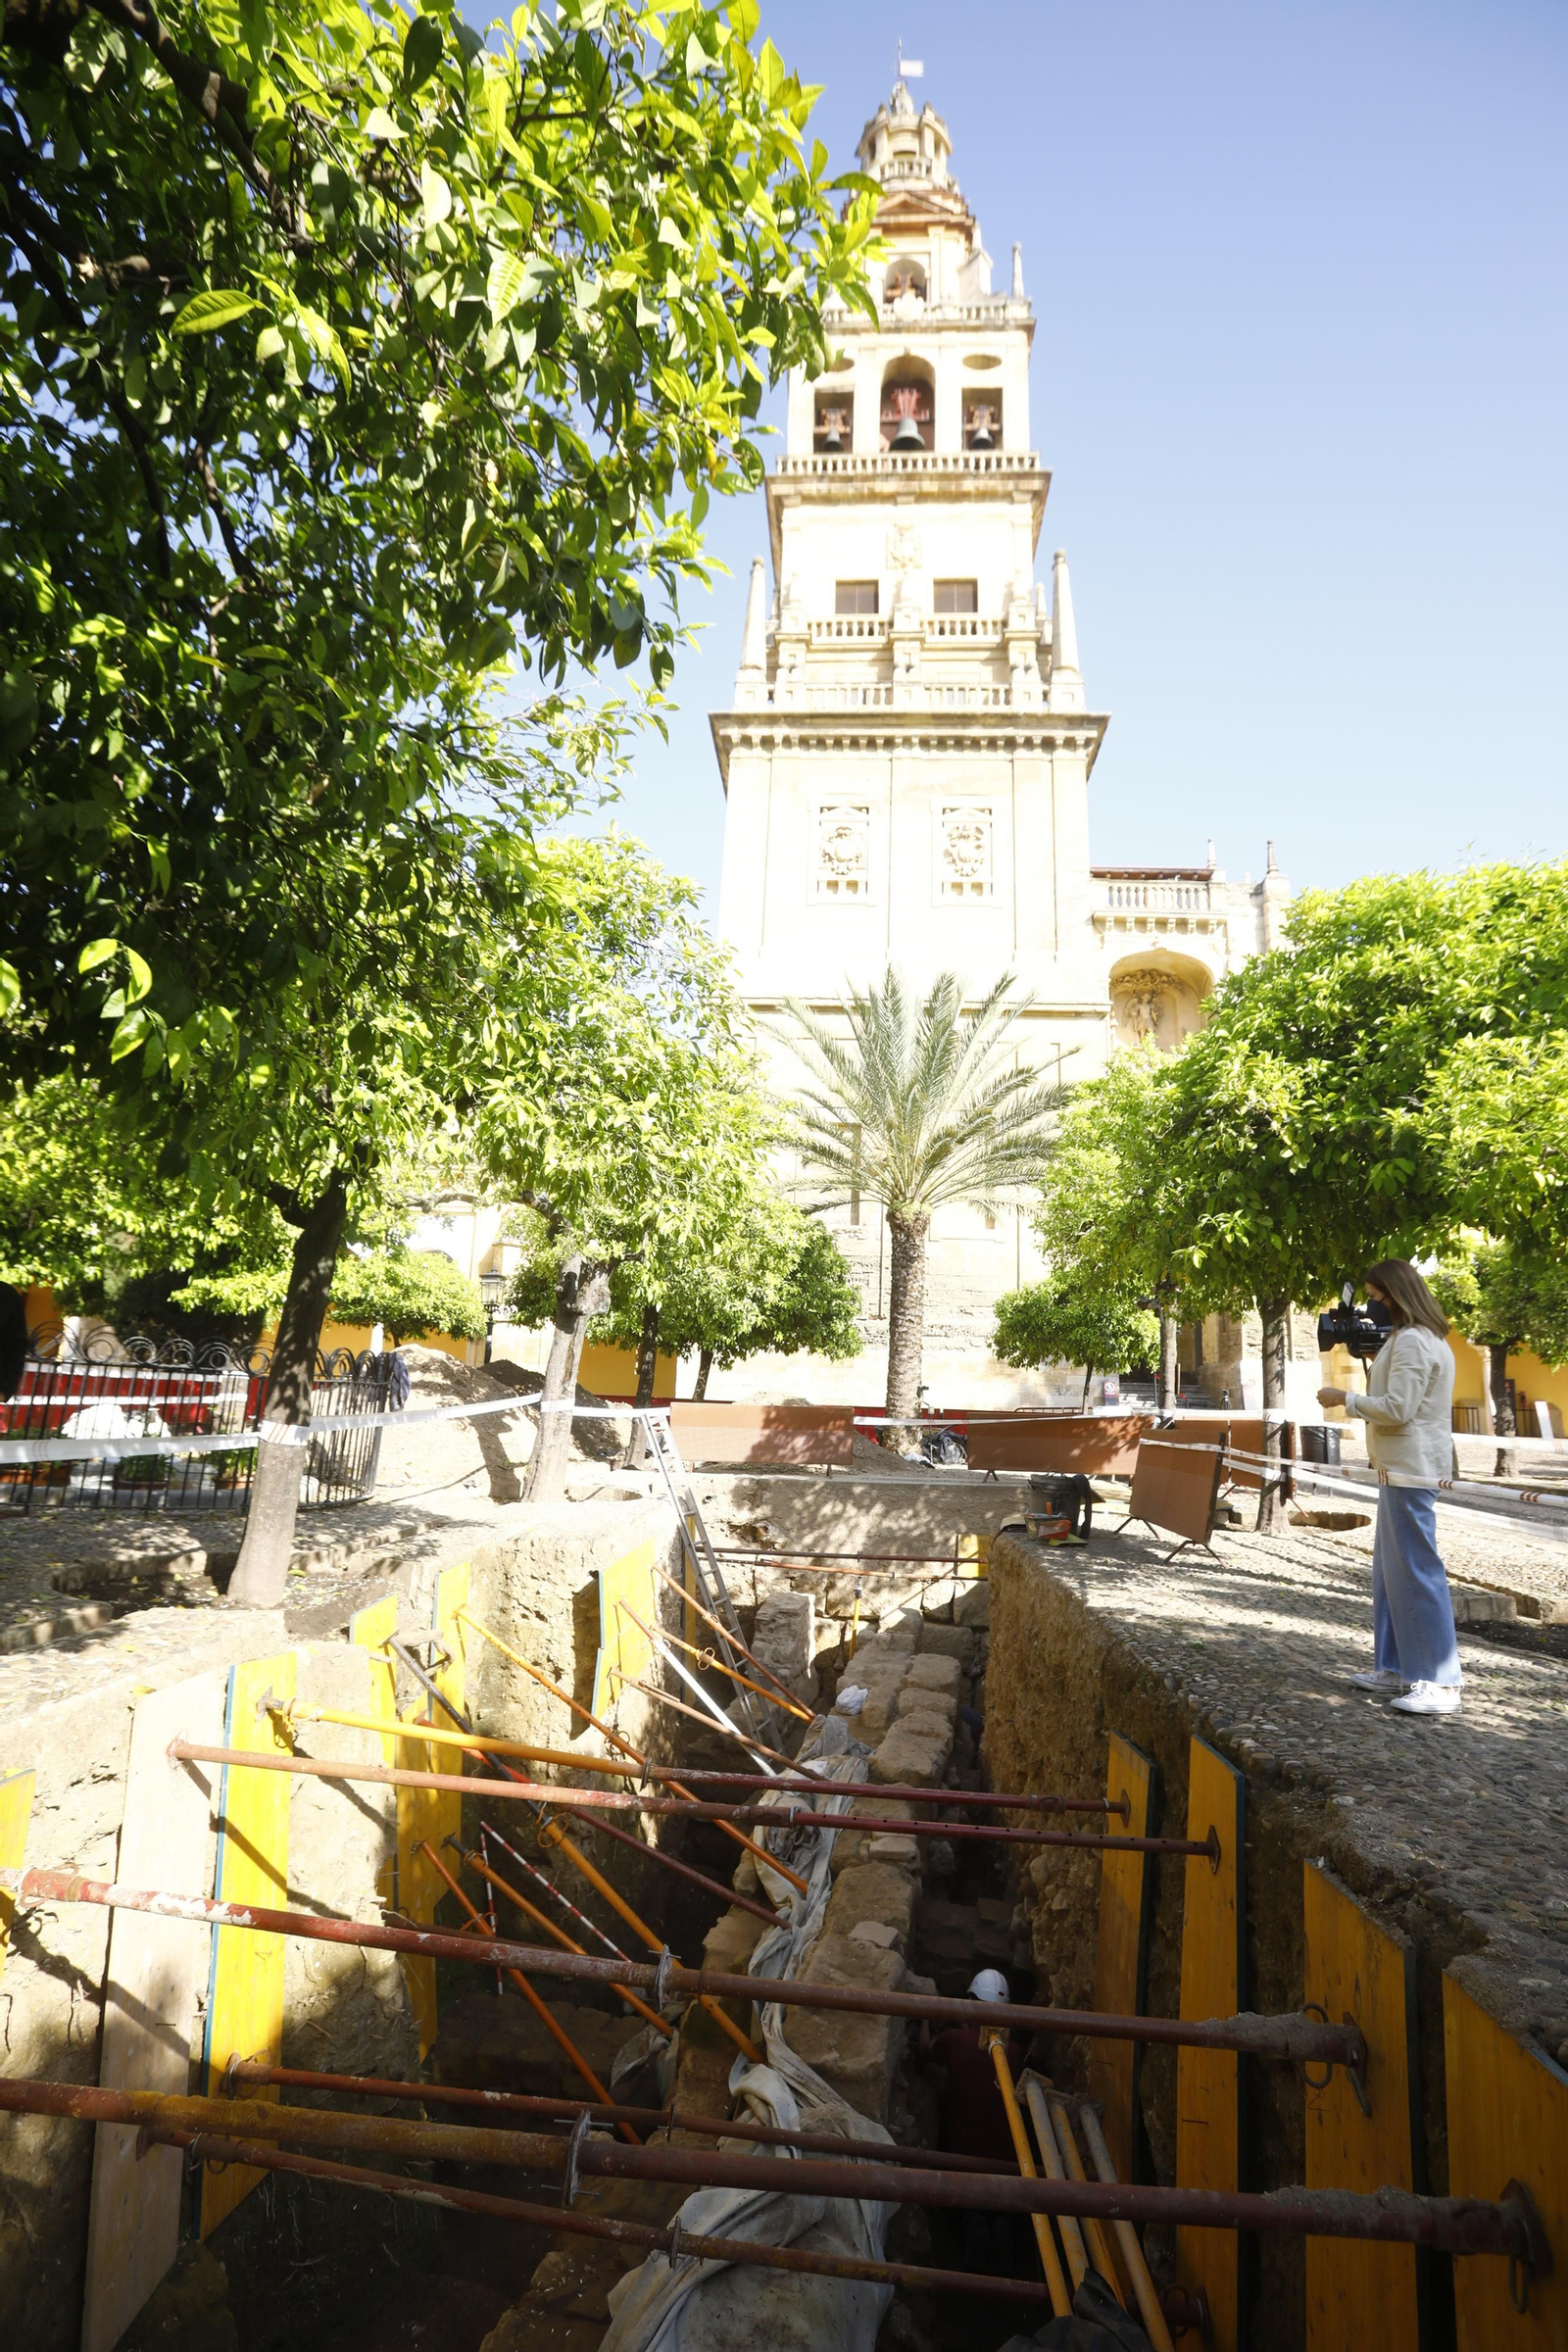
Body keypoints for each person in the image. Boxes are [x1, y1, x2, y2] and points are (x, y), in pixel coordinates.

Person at [1317, 1259, 1461, 1717]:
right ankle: (1396, 1666)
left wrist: (1345, 1400)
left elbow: (1399, 1408)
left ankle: (1440, 1681)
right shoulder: (1411, 1338)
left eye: (1377, 1297)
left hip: (1411, 1469)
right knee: (1390, 1574)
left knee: (1417, 1572)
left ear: (1395, 1296)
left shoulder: (1416, 1341)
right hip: (1397, 1468)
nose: (1371, 1307)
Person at [921, 1969, 1025, 2275]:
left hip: (962, 2155)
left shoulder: (953, 2040)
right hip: (1007, 2160)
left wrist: (924, 2018)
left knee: (968, 2205)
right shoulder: (1015, 2052)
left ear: (970, 2001)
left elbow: (926, 2052)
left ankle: (972, 2226)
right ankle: (1001, 2225)